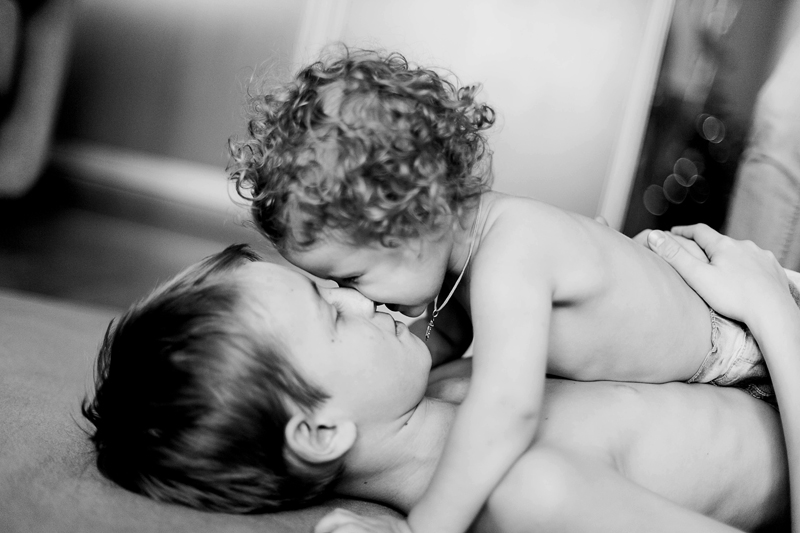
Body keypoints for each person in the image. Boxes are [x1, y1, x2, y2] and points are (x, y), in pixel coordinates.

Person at [228, 48, 800, 533]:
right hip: (731, 366)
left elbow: (506, 410)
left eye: (352, 278)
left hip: (742, 342)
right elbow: (436, 347)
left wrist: (428, 526)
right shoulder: (458, 270)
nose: (360, 300)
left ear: (415, 217)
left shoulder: (511, 255)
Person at [80, 228, 795, 532]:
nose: (355, 297)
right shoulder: (526, 490)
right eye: (330, 314)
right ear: (321, 429)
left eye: (330, 284)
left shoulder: (449, 388)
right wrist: (770, 310)